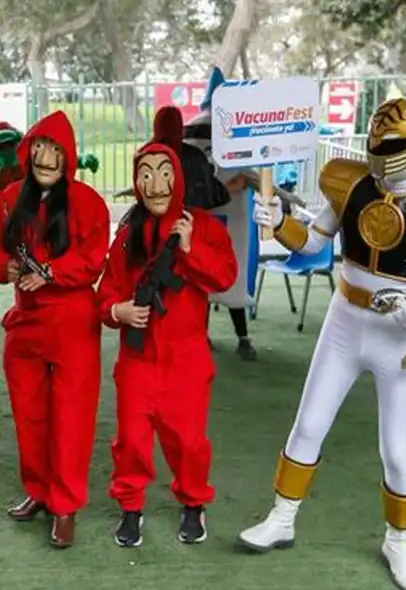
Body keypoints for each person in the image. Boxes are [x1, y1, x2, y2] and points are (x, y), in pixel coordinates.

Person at [237, 96, 406, 590]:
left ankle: (399, 543)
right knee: (308, 424)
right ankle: (282, 516)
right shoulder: (351, 183)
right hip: (345, 320)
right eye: (377, 137)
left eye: (396, 142)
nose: (381, 150)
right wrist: (277, 222)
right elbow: (312, 242)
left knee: (398, 450)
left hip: (400, 334)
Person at [0, 109, 110, 548]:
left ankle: (65, 505)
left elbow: (94, 258)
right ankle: (38, 490)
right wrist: (5, 267)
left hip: (73, 322)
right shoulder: (9, 199)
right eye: (39, 147)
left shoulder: (88, 202)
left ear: (67, 155)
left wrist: (52, 272)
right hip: (26, 322)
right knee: (29, 413)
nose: (46, 158)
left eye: (55, 149)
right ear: (28, 152)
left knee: (71, 418)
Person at [98, 137, 237, 548]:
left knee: (189, 442)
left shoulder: (203, 227)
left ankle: (193, 503)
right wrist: (118, 311)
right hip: (138, 359)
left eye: (163, 173)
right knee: (131, 440)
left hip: (186, 360)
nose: (155, 184)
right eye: (145, 174)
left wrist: (190, 249)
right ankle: (130, 507)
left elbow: (224, 278)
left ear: (177, 178)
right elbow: (106, 293)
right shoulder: (129, 235)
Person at [0, 122, 100, 321]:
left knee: (48, 261)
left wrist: (81, 160)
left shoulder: (34, 162)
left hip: (38, 224)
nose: (7, 147)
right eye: (2, 144)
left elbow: (58, 160)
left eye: (11, 143)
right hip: (6, 224)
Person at [182, 67, 266, 361]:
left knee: (202, 270)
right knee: (232, 272)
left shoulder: (188, 133)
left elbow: (188, 179)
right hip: (231, 215)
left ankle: (202, 335)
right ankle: (242, 337)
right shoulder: (235, 129)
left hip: (202, 215)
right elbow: (249, 173)